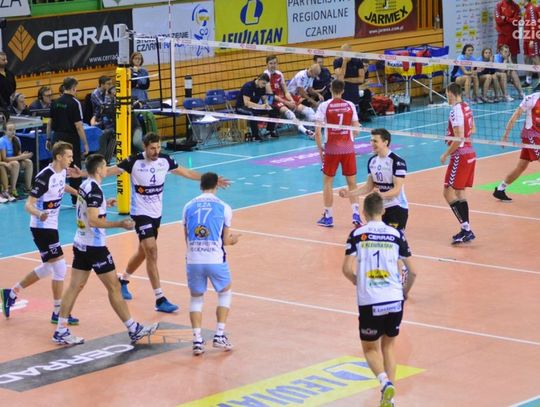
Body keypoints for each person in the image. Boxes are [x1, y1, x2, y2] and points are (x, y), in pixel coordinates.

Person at [73, 132, 230, 313]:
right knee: (152, 250)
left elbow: (186, 172)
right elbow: (108, 171)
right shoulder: (134, 162)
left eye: (158, 147)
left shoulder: (165, 160)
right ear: (145, 147)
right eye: (152, 148)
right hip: (140, 214)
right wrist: (82, 173)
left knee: (143, 252)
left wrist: (211, 180)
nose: (156, 151)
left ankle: (123, 280)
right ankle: (160, 298)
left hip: (156, 215)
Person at [52, 154, 159, 345]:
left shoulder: (85, 185)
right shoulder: (94, 190)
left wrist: (103, 204)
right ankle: (133, 329)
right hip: (95, 247)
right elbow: (94, 221)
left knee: (74, 287)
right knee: (114, 287)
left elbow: (88, 208)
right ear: (99, 170)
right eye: (104, 166)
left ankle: (60, 330)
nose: (106, 169)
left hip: (80, 244)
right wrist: (120, 224)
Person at [342, 192, 416, 407]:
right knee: (389, 347)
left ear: (364, 213)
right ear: (383, 211)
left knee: (370, 349)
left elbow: (346, 269)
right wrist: (404, 291)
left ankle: (384, 383)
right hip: (394, 299)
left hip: (370, 300)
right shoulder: (396, 234)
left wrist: (357, 281)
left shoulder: (357, 234)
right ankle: (389, 399)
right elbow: (413, 272)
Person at [1, 142, 79, 324]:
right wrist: (39, 213)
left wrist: (78, 193)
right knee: (60, 267)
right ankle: (58, 312)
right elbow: (28, 204)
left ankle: (11, 293)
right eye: (69, 156)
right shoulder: (44, 177)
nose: (71, 159)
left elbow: (61, 186)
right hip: (41, 227)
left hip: (51, 227)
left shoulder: (61, 172)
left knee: (49, 267)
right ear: (59, 157)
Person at [183, 172, 240, 355]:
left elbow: (186, 236)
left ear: (201, 185)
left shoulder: (188, 206)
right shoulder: (224, 207)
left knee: (196, 298)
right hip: (215, 259)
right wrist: (234, 240)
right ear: (216, 185)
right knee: (225, 293)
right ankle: (219, 335)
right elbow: (225, 240)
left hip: (193, 259)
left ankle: (197, 340)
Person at [339, 128, 409, 233]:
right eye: (371, 140)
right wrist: (349, 194)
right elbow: (369, 186)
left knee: (393, 239)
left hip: (396, 207)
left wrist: (379, 196)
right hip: (380, 209)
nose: (372, 143)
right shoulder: (372, 161)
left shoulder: (397, 161)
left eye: (375, 141)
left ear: (385, 142)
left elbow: (396, 190)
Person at [314, 79, 361, 228]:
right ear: (343, 90)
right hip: (348, 149)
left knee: (327, 182)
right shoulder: (350, 105)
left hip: (331, 150)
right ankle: (356, 215)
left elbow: (317, 131)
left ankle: (328, 217)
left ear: (330, 89)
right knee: (352, 183)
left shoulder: (324, 106)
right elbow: (357, 130)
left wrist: (320, 148)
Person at [440, 83, 477, 244]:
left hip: (459, 155)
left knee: (447, 192)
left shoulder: (455, 110)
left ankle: (466, 228)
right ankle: (466, 229)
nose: (446, 97)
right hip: (470, 153)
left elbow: (459, 137)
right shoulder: (467, 107)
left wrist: (446, 154)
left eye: (446, 94)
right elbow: (473, 130)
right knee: (460, 192)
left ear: (451, 93)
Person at [47, 76, 89, 206]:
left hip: (57, 137)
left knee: (57, 166)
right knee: (74, 167)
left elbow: (49, 122)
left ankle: (51, 197)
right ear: (74, 88)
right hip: (70, 139)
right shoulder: (75, 103)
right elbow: (79, 126)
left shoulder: (55, 102)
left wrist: (48, 138)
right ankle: (76, 200)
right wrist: (85, 144)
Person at [494, 91, 540, 201]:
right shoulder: (531, 99)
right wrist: (505, 135)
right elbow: (515, 116)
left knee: (521, 166)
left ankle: (500, 189)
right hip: (531, 135)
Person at [264, 55, 314, 138]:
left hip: (283, 98)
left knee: (308, 110)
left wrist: (291, 100)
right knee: (290, 113)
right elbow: (271, 95)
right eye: (271, 63)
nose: (273, 65)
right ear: (267, 64)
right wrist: (287, 102)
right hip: (272, 100)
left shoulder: (279, 74)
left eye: (275, 63)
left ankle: (312, 127)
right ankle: (306, 131)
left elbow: (286, 91)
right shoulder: (266, 75)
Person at [333, 44, 371, 122]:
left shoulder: (358, 62)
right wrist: (344, 62)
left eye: (346, 52)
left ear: (350, 52)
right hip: (341, 93)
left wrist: (346, 80)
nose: (344, 54)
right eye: (342, 52)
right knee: (343, 118)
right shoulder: (337, 62)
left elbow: (361, 79)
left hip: (353, 92)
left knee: (354, 117)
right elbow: (340, 78)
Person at [236, 73, 278, 141]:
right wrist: (260, 106)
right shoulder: (248, 86)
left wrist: (266, 104)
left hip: (254, 107)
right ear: (258, 79)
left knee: (273, 109)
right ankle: (255, 135)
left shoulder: (262, 87)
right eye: (263, 83)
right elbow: (247, 103)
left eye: (265, 84)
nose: (264, 85)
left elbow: (264, 99)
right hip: (241, 107)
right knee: (253, 113)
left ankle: (270, 131)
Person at [0, 121, 33, 198]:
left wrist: (24, 155)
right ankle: (13, 189)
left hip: (15, 162)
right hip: (6, 165)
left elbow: (19, 154)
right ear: (5, 131)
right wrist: (20, 157)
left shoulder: (17, 139)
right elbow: (4, 159)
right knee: (15, 163)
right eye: (10, 130)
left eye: (14, 129)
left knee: (29, 162)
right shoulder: (2, 141)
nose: (13, 132)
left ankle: (28, 188)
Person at [521, 0, 540, 89]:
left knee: (535, 59)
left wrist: (532, 39)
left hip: (532, 38)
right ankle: (528, 80)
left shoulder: (531, 8)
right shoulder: (527, 9)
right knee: (526, 58)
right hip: (527, 38)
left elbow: (534, 24)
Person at [0, 52, 16, 117]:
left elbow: (14, 87)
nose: (6, 61)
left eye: (6, 59)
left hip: (10, 105)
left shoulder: (10, 74)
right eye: (3, 60)